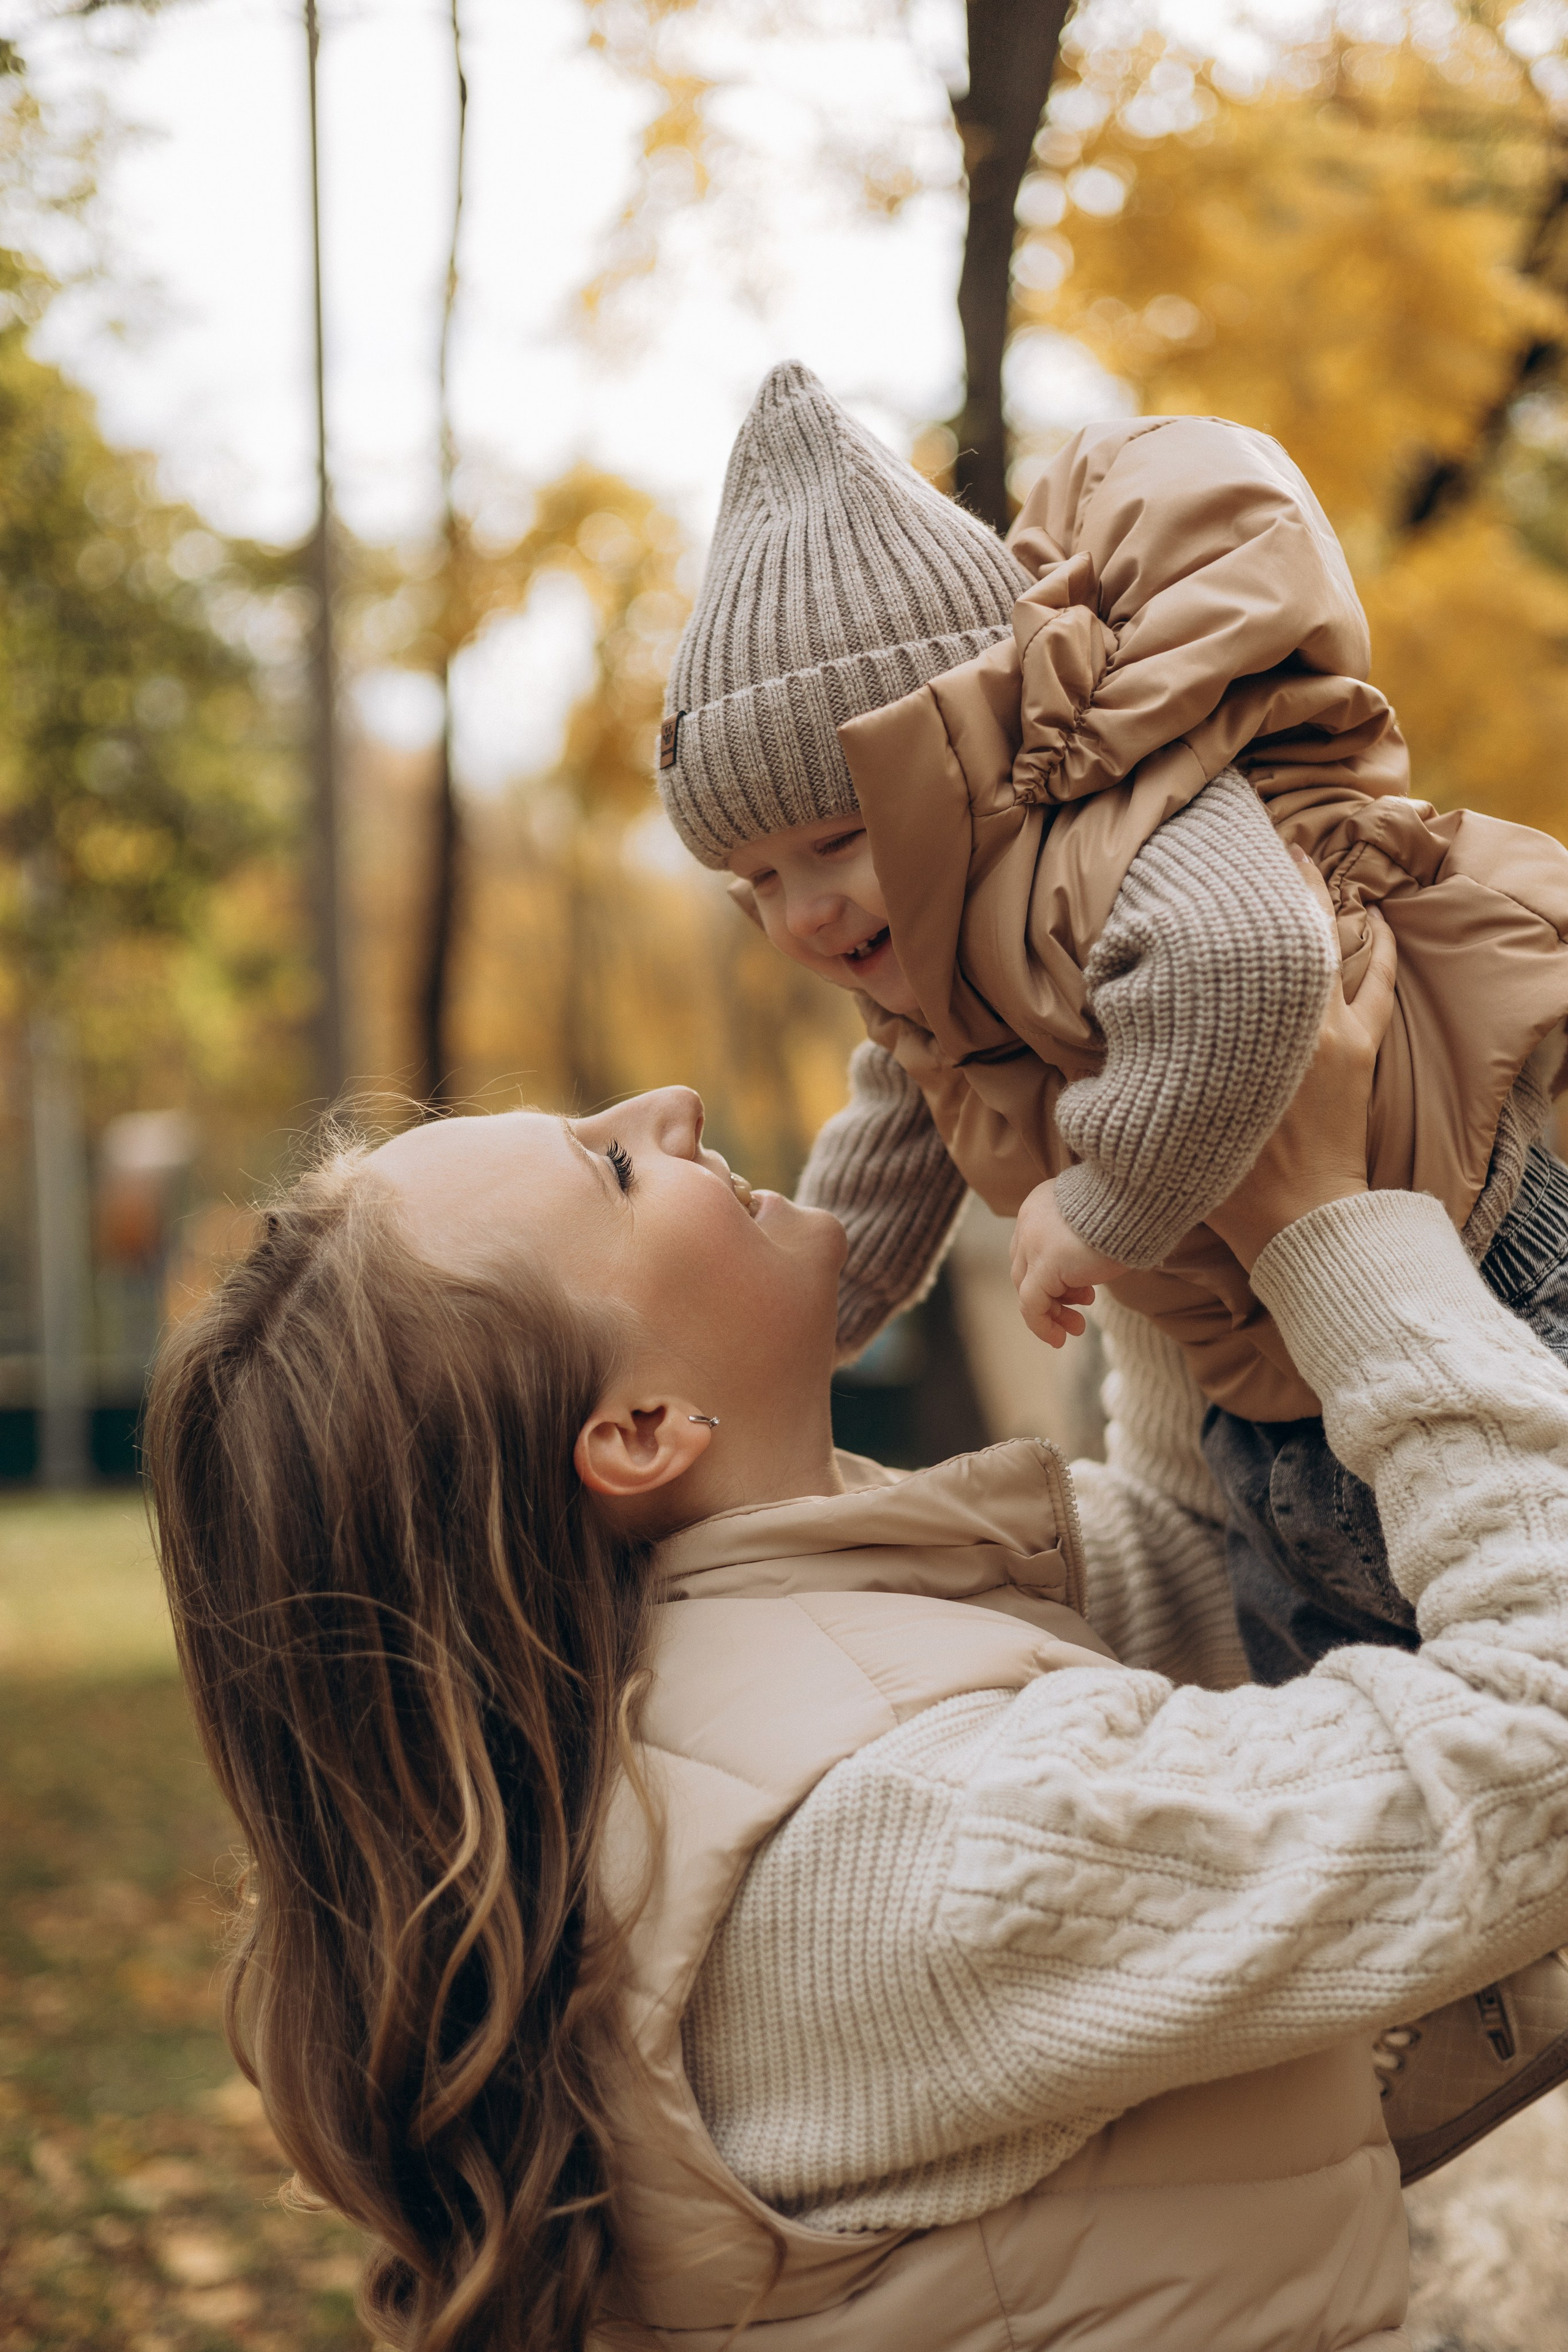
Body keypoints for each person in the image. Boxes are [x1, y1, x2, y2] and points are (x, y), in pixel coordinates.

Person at [146, 904, 1568, 2351]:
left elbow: (1208, 1573)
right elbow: (1535, 1757)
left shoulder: (754, 1658)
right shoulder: (880, 1847)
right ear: (640, 1431)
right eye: (617, 1165)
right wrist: (1328, 1229)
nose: (672, 1104)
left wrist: (1146, 1178)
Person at [655, 359, 1568, 1686]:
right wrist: (819, 1311)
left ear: (953, 758)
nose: (799, 911)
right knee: (1359, 1718)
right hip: (1266, 1409)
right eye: (756, 880)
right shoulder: (932, 964)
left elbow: (1252, 966)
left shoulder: (1115, 832)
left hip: (1477, 1284)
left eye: (835, 839)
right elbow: (901, 1119)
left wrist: (1104, 1206)